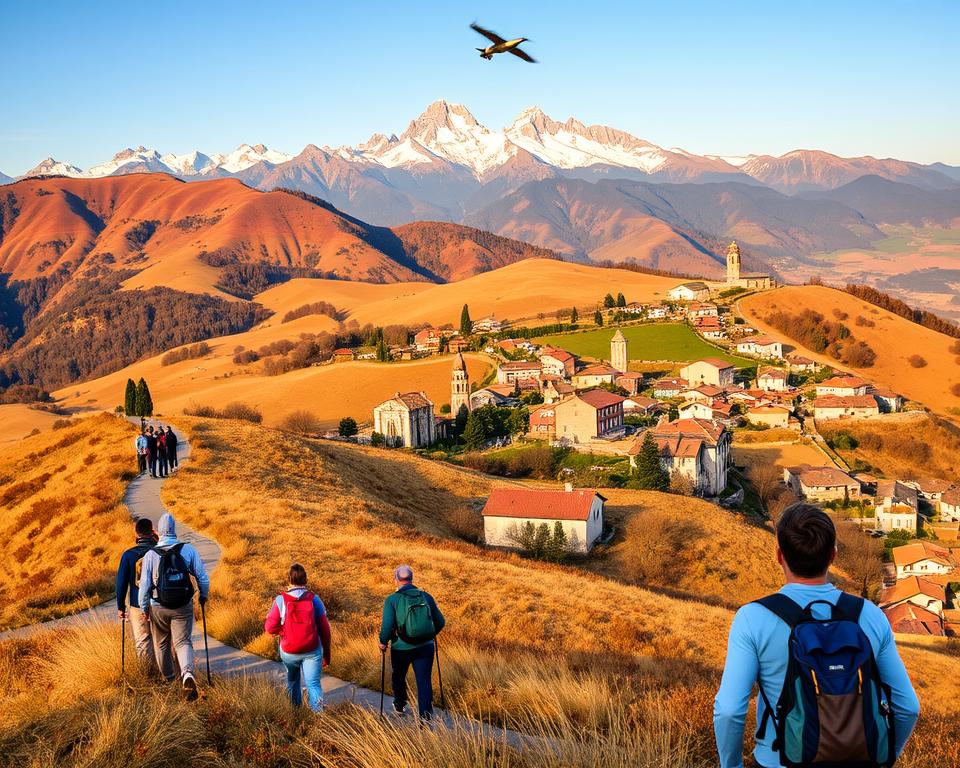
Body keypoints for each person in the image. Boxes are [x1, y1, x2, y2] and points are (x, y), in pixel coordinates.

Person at [714, 503, 920, 768]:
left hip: (777, 761)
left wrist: (731, 766)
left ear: (779, 556)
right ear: (833, 555)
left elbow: (729, 710)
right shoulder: (870, 616)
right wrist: (885, 756)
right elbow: (908, 707)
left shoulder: (752, 618)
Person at [139, 513, 210, 700]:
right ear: (174, 529)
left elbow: (144, 586)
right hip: (182, 605)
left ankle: (169, 680)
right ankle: (187, 674)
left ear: (159, 531)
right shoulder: (188, 550)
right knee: (183, 642)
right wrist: (203, 595)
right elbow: (202, 577)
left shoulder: (150, 555)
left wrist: (144, 607)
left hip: (158, 606)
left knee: (161, 644)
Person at [378, 564, 445, 720]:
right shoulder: (426, 596)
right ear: (411, 579)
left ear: (396, 580)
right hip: (425, 648)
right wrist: (428, 635)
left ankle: (400, 705)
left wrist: (383, 642)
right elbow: (440, 622)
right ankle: (425, 718)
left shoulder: (392, 600)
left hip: (401, 648)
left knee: (399, 676)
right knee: (423, 681)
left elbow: (387, 627)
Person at [264, 563, 331, 712]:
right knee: (313, 684)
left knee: (293, 681)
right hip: (312, 650)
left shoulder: (281, 600)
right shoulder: (315, 600)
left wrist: (283, 632)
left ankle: (295, 713)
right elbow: (325, 629)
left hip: (289, 651)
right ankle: (318, 717)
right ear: (305, 580)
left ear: (289, 579)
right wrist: (327, 653)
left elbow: (269, 628)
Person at [115, 517, 159, 668]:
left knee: (142, 640)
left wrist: (120, 606)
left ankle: (147, 674)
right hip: (161, 603)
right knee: (163, 639)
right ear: (152, 531)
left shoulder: (128, 555)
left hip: (137, 604)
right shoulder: (160, 551)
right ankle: (168, 673)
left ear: (136, 533)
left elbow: (121, 583)